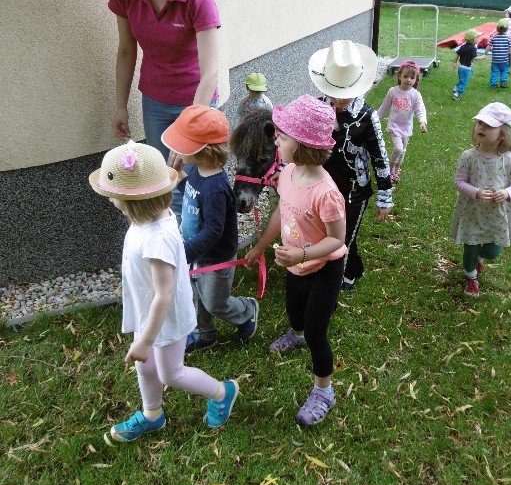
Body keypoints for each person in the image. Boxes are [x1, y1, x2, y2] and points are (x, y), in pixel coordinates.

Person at [88, 141, 239, 441]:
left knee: (172, 373)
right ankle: (152, 414)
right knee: (146, 368)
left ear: (132, 201)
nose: (111, 200)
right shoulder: (150, 217)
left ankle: (222, 392)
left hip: (166, 318)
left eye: (113, 195)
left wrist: (145, 340)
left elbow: (164, 294)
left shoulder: (156, 239)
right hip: (149, 311)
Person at [109, 0, 221, 216]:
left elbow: (210, 72)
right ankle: (175, 244)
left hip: (197, 101)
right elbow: (126, 50)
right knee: (165, 183)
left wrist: (188, 129)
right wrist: (120, 106)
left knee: (198, 186)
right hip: (155, 102)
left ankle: (208, 243)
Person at [246, 96, 346, 426]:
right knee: (294, 309)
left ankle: (324, 391)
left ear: (303, 146)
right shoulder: (288, 173)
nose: (276, 141)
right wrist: (261, 246)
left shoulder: (326, 193)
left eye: (282, 137)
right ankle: (296, 333)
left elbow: (337, 239)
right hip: (295, 264)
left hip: (324, 267)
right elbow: (281, 212)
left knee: (317, 331)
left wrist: (301, 253)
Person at [161, 105, 259, 352]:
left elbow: (213, 231)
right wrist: (179, 174)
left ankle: (246, 311)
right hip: (197, 252)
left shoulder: (215, 188)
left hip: (215, 258)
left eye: (183, 145)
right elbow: (193, 196)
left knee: (215, 302)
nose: (177, 150)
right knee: (195, 295)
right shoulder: (198, 172)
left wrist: (185, 252)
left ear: (203, 150)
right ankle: (204, 334)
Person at [309, 39, 393, 292]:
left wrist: (385, 195)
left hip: (354, 189)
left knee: (343, 236)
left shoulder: (367, 116)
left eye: (346, 93)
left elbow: (379, 156)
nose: (339, 99)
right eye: (334, 91)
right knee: (329, 231)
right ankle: (353, 268)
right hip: (323, 185)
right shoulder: (317, 107)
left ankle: (334, 282)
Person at [450, 103, 511, 297]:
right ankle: (471, 277)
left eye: (489, 125)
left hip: (497, 214)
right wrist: (476, 192)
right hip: (472, 211)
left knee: (492, 252)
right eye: (479, 123)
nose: (481, 128)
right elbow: (459, 182)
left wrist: (508, 192)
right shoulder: (468, 156)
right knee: (470, 247)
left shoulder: (510, 159)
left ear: (502, 134)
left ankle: (480, 256)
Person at [377, 60, 427, 182]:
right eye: (405, 76)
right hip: (394, 126)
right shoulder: (393, 91)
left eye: (412, 78)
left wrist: (422, 121)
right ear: (399, 76)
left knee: (403, 151)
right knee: (398, 148)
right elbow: (384, 107)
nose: (408, 80)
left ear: (416, 79)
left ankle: (396, 170)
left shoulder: (415, 95)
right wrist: (376, 120)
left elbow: (420, 109)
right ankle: (389, 169)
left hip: (406, 127)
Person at [451, 29, 482, 99]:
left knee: (462, 79)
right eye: (477, 38)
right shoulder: (473, 48)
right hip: (467, 69)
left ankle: (456, 88)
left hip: (460, 68)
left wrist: (454, 62)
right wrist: (482, 57)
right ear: (473, 39)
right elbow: (474, 57)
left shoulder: (463, 46)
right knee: (464, 81)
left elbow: (457, 54)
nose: (478, 39)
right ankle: (457, 94)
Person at [486, 19, 511, 89]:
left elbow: (488, 47)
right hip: (505, 60)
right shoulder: (508, 38)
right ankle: (503, 82)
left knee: (494, 71)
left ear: (497, 28)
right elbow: (510, 49)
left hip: (495, 60)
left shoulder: (493, 37)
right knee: (505, 70)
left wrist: (485, 54)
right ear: (507, 29)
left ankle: (493, 84)